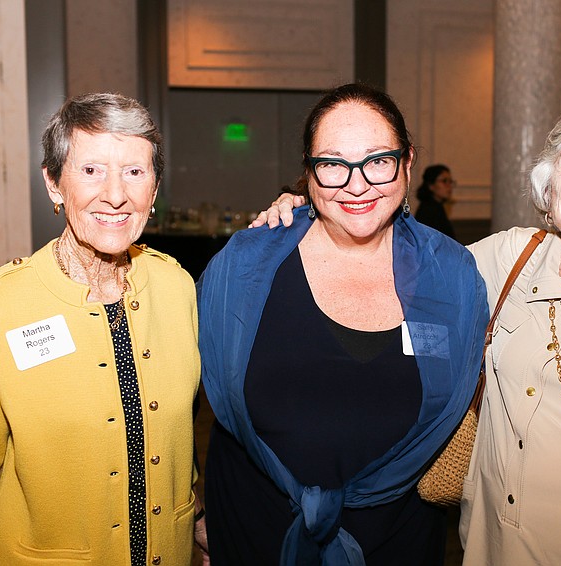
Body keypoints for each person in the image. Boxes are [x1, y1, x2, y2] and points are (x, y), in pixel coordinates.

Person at [255, 96, 561, 565]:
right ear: (548, 189)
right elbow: (396, 259)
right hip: (495, 548)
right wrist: (310, 210)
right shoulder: (507, 259)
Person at [196, 83, 489, 565]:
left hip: (399, 540)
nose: (356, 185)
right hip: (255, 532)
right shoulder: (246, 266)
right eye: (332, 164)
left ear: (407, 162)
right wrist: (196, 514)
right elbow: (170, 391)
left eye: (377, 161)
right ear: (308, 174)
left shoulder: (452, 275)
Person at [0, 93, 202, 566]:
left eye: (135, 172)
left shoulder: (177, 288)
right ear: (54, 184)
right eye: (91, 170)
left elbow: (181, 445)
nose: (116, 195)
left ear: (154, 190)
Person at [415, 164, 456, 239]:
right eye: (444, 181)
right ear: (431, 185)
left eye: (450, 181)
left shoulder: (437, 207)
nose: (449, 186)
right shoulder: (428, 210)